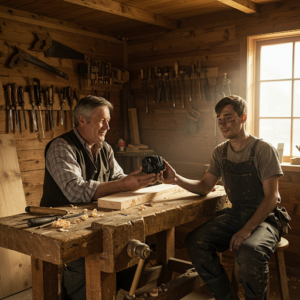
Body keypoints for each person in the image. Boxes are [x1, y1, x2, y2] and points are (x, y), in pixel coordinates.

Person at [158, 95, 283, 300]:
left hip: (266, 219)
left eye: (228, 118)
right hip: (237, 215)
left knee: (249, 251)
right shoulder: (220, 152)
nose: (223, 124)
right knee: (195, 241)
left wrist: (246, 230)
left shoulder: (263, 150)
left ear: (243, 118)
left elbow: (271, 198)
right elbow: (205, 186)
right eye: (219, 119)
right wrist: (176, 179)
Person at [40, 95, 156, 300]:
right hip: (63, 226)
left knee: (129, 256)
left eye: (108, 121)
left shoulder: (106, 148)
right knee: (82, 276)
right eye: (102, 120)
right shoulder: (61, 147)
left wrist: (140, 179)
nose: (107, 127)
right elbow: (75, 191)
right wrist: (123, 183)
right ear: (82, 120)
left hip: (97, 222)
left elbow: (118, 178)